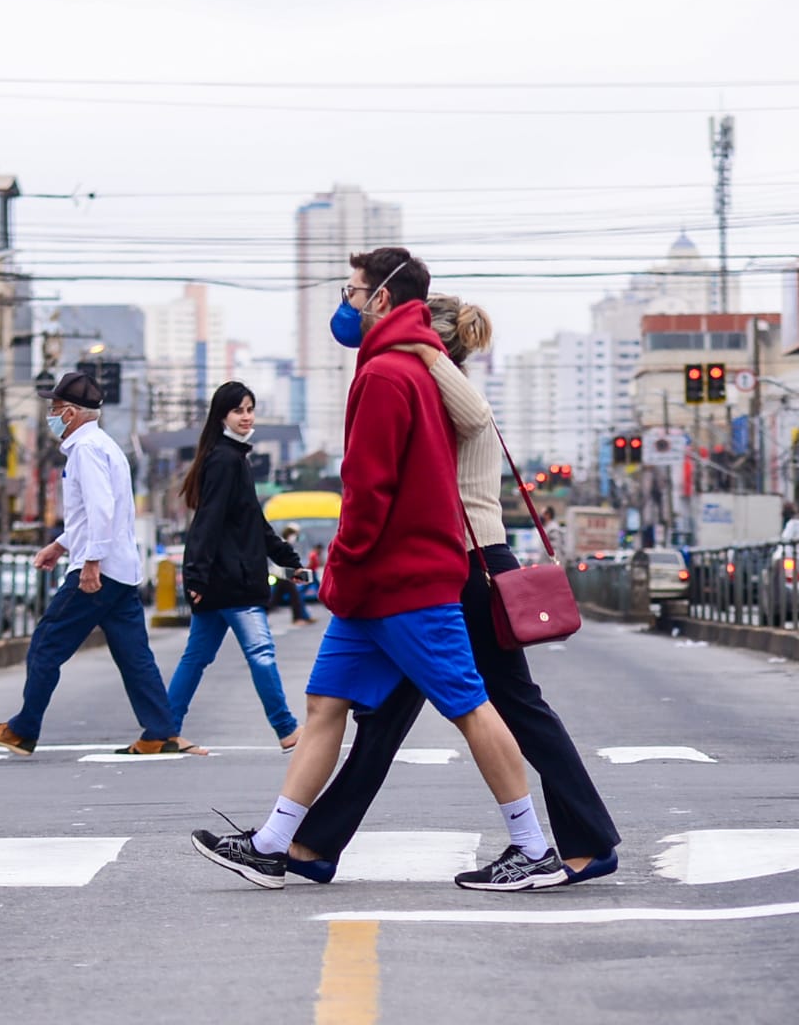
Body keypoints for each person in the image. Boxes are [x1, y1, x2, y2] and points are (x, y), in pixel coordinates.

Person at [192, 247, 563, 891]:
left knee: (471, 706)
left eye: (352, 290)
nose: (347, 302)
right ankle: (273, 843)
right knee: (324, 702)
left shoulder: (388, 374)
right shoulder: (404, 366)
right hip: (381, 587)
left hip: (404, 582)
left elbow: (368, 489)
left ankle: (532, 847)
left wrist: (342, 563)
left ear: (382, 299)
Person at [287, 294, 620, 886]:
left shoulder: (447, 386)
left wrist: (417, 345)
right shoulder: (425, 389)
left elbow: (477, 415)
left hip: (472, 569)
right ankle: (312, 846)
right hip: (440, 568)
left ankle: (587, 843)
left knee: (516, 707)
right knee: (385, 717)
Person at [0, 371, 202, 756]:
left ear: (71, 413)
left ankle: (23, 729)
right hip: (122, 569)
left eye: (54, 407)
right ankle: (160, 732)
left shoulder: (86, 450)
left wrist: (90, 563)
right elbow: (92, 515)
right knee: (134, 655)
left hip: (99, 571)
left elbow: (102, 509)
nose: (50, 413)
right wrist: (59, 546)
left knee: (46, 645)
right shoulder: (105, 446)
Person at [166, 382, 306, 750]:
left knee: (195, 658)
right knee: (261, 654)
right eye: (238, 411)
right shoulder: (226, 460)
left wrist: (288, 560)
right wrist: (195, 574)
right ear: (222, 416)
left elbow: (251, 522)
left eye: (249, 409)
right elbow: (208, 521)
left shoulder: (231, 457)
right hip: (231, 580)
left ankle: (165, 730)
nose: (246, 417)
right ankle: (287, 728)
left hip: (221, 579)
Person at [273, 524, 315, 624]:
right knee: (295, 595)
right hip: (283, 574)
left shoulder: (288, 544)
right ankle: (298, 618)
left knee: (275, 599)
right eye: (295, 534)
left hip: (286, 574)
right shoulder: (281, 543)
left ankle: (303, 617)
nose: (296, 537)